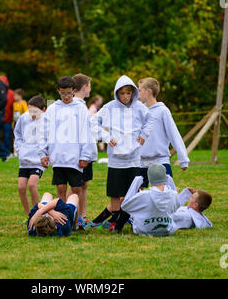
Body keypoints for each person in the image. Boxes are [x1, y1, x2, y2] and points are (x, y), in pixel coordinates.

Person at [87, 75, 153, 231]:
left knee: (134, 192)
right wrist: (105, 137)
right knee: (116, 194)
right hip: (116, 159)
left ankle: (131, 220)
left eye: (128, 93)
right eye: (122, 93)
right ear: (117, 93)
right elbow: (92, 122)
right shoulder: (109, 107)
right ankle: (115, 223)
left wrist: (143, 135)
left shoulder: (140, 107)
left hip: (134, 159)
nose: (125, 96)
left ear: (133, 93)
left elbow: (150, 121)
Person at [39, 76, 94, 205]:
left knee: (76, 188)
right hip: (58, 156)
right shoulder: (53, 108)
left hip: (74, 157)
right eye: (63, 93)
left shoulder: (80, 108)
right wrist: (43, 153)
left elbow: (86, 132)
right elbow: (45, 132)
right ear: (58, 91)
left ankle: (75, 217)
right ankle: (62, 218)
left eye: (69, 93)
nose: (66, 96)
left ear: (74, 91)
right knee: (60, 188)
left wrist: (85, 155)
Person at [120, 164, 212, 236]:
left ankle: (116, 226)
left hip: (144, 229)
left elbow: (125, 206)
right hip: (166, 230)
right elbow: (175, 206)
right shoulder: (172, 195)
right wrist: (176, 189)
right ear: (165, 179)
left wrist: (136, 182)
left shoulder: (143, 195)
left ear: (150, 180)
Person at [137, 77, 189, 187]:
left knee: (166, 195)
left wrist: (183, 159)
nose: (137, 93)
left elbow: (174, 134)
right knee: (135, 196)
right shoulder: (139, 110)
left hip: (160, 162)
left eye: (140, 90)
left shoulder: (163, 111)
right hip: (141, 163)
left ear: (149, 91)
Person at [67, 73, 98, 225]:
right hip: (79, 154)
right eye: (89, 86)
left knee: (83, 185)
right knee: (75, 186)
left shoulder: (81, 105)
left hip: (83, 153)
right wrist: (86, 154)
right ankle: (71, 215)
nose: (90, 90)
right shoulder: (77, 106)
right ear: (85, 87)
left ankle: (82, 216)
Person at [14, 95, 46, 217]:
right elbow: (17, 133)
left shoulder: (46, 121)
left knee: (32, 185)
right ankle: (29, 215)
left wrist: (46, 154)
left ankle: (38, 214)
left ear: (43, 110)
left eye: (35, 111)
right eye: (29, 110)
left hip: (38, 161)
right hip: (25, 160)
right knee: (21, 188)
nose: (31, 114)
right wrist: (19, 148)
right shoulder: (23, 118)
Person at [1, 75, 14, 159]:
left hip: (8, 119)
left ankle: (7, 153)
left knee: (7, 138)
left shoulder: (11, 93)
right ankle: (2, 153)